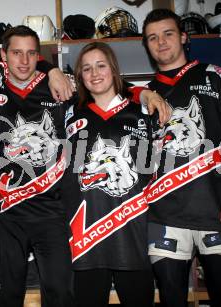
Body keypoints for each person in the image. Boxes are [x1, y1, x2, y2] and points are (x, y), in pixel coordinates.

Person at [0, 25, 168, 307]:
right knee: (6, 297)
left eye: (32, 54)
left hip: (52, 215)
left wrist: (144, 94)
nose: (24, 61)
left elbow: (103, 85)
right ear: (3, 56)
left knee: (61, 296)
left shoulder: (60, 85)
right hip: (5, 215)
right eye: (16, 53)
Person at [141, 9, 221, 307]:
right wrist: (139, 94)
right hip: (163, 213)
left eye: (168, 34)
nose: (161, 42)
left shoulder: (214, 76)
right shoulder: (147, 93)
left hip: (216, 207)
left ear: (183, 37)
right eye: (152, 37)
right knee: (171, 300)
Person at [63, 41, 155, 307]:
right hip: (87, 235)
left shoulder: (143, 112)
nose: (94, 73)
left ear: (114, 69)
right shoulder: (70, 117)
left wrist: (142, 93)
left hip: (132, 232)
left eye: (101, 65)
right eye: (87, 68)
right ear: (80, 77)